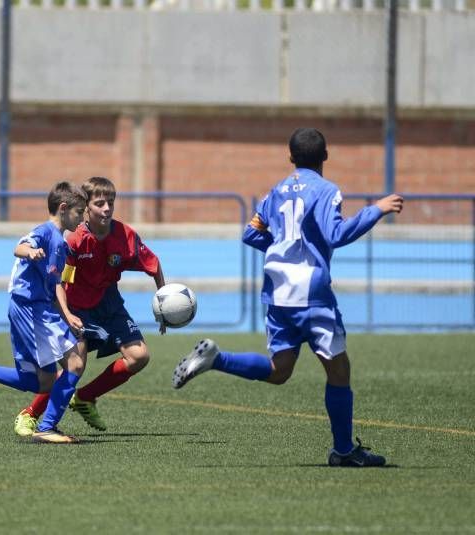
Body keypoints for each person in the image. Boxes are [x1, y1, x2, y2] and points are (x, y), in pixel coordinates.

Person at [172, 128, 404, 467]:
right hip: (312, 294)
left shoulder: (275, 192)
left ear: (290, 157)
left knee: (280, 370)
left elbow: (251, 233)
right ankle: (342, 451)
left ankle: (217, 360)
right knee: (339, 371)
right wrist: (376, 210)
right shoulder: (327, 191)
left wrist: (283, 250)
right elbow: (337, 234)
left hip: (278, 294)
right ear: (325, 156)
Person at [13, 176, 166, 437]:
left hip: (109, 303)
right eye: (99, 203)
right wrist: (68, 314)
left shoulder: (125, 236)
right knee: (75, 362)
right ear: (87, 208)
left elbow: (153, 264)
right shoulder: (74, 240)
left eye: (111, 203)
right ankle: (31, 414)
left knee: (139, 357)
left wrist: (163, 303)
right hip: (77, 305)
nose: (106, 208)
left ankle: (84, 397)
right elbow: (60, 282)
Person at [0, 181, 88, 444]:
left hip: (31, 309)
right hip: (31, 310)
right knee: (76, 362)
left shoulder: (60, 244)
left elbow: (54, 284)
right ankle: (47, 427)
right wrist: (31, 252)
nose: (82, 219)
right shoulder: (45, 232)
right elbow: (20, 247)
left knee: (41, 382)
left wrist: (67, 314)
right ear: (63, 209)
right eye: (79, 212)